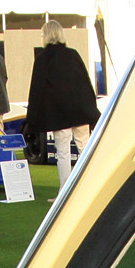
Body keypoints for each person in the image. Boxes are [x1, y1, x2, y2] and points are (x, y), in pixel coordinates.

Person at [25, 19, 100, 170]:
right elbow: (86, 83)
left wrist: (31, 121)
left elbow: (36, 91)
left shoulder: (42, 59)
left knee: (63, 153)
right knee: (85, 149)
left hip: (59, 115)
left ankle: (65, 190)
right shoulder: (73, 55)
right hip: (80, 111)